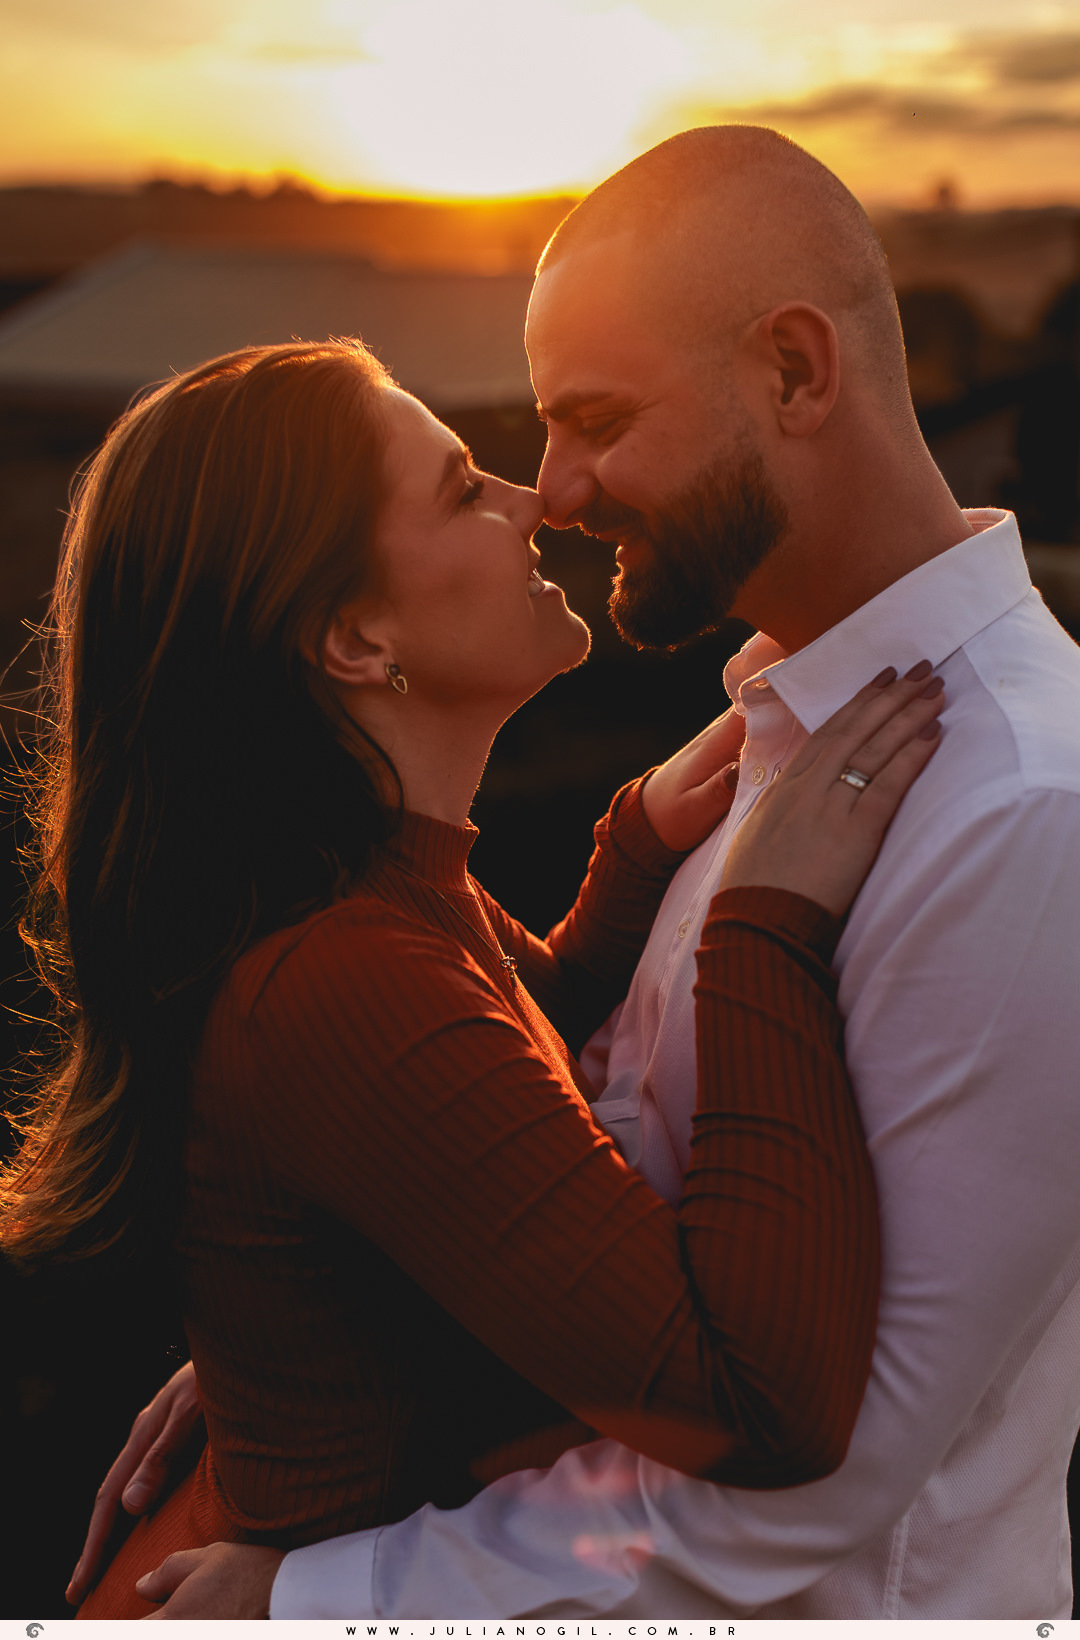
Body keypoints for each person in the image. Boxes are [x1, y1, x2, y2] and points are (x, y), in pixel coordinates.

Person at [123, 125, 1080, 1621]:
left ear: (794, 373)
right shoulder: (772, 744)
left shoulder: (1022, 810)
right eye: (487, 468)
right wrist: (343, 1324)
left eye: (597, 419)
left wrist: (320, 1588)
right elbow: (580, 1146)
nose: (551, 493)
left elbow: (795, 1483)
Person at [0, 337, 944, 1618]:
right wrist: (766, 930)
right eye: (461, 489)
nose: (537, 499)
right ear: (352, 636)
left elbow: (489, 1070)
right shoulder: (340, 976)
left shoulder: (368, 884)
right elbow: (754, 1403)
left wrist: (634, 850)